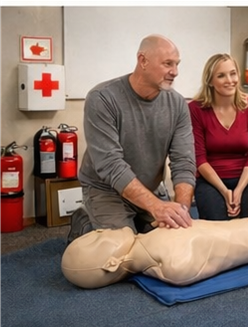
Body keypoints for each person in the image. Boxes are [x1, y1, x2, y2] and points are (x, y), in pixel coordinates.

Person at [67, 34, 196, 244]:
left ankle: (139, 222)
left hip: (151, 189)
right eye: (167, 64)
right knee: (123, 252)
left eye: (177, 64)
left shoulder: (178, 104)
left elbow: (184, 161)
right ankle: (85, 221)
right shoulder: (102, 98)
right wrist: (156, 207)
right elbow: (111, 165)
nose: (175, 72)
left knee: (173, 243)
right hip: (106, 189)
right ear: (142, 60)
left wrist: (181, 209)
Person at [188, 53, 248, 222]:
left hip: (246, 176)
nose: (229, 80)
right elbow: (199, 158)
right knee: (216, 224)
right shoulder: (195, 109)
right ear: (210, 81)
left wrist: (239, 190)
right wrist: (225, 191)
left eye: (233, 73)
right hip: (210, 179)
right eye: (221, 75)